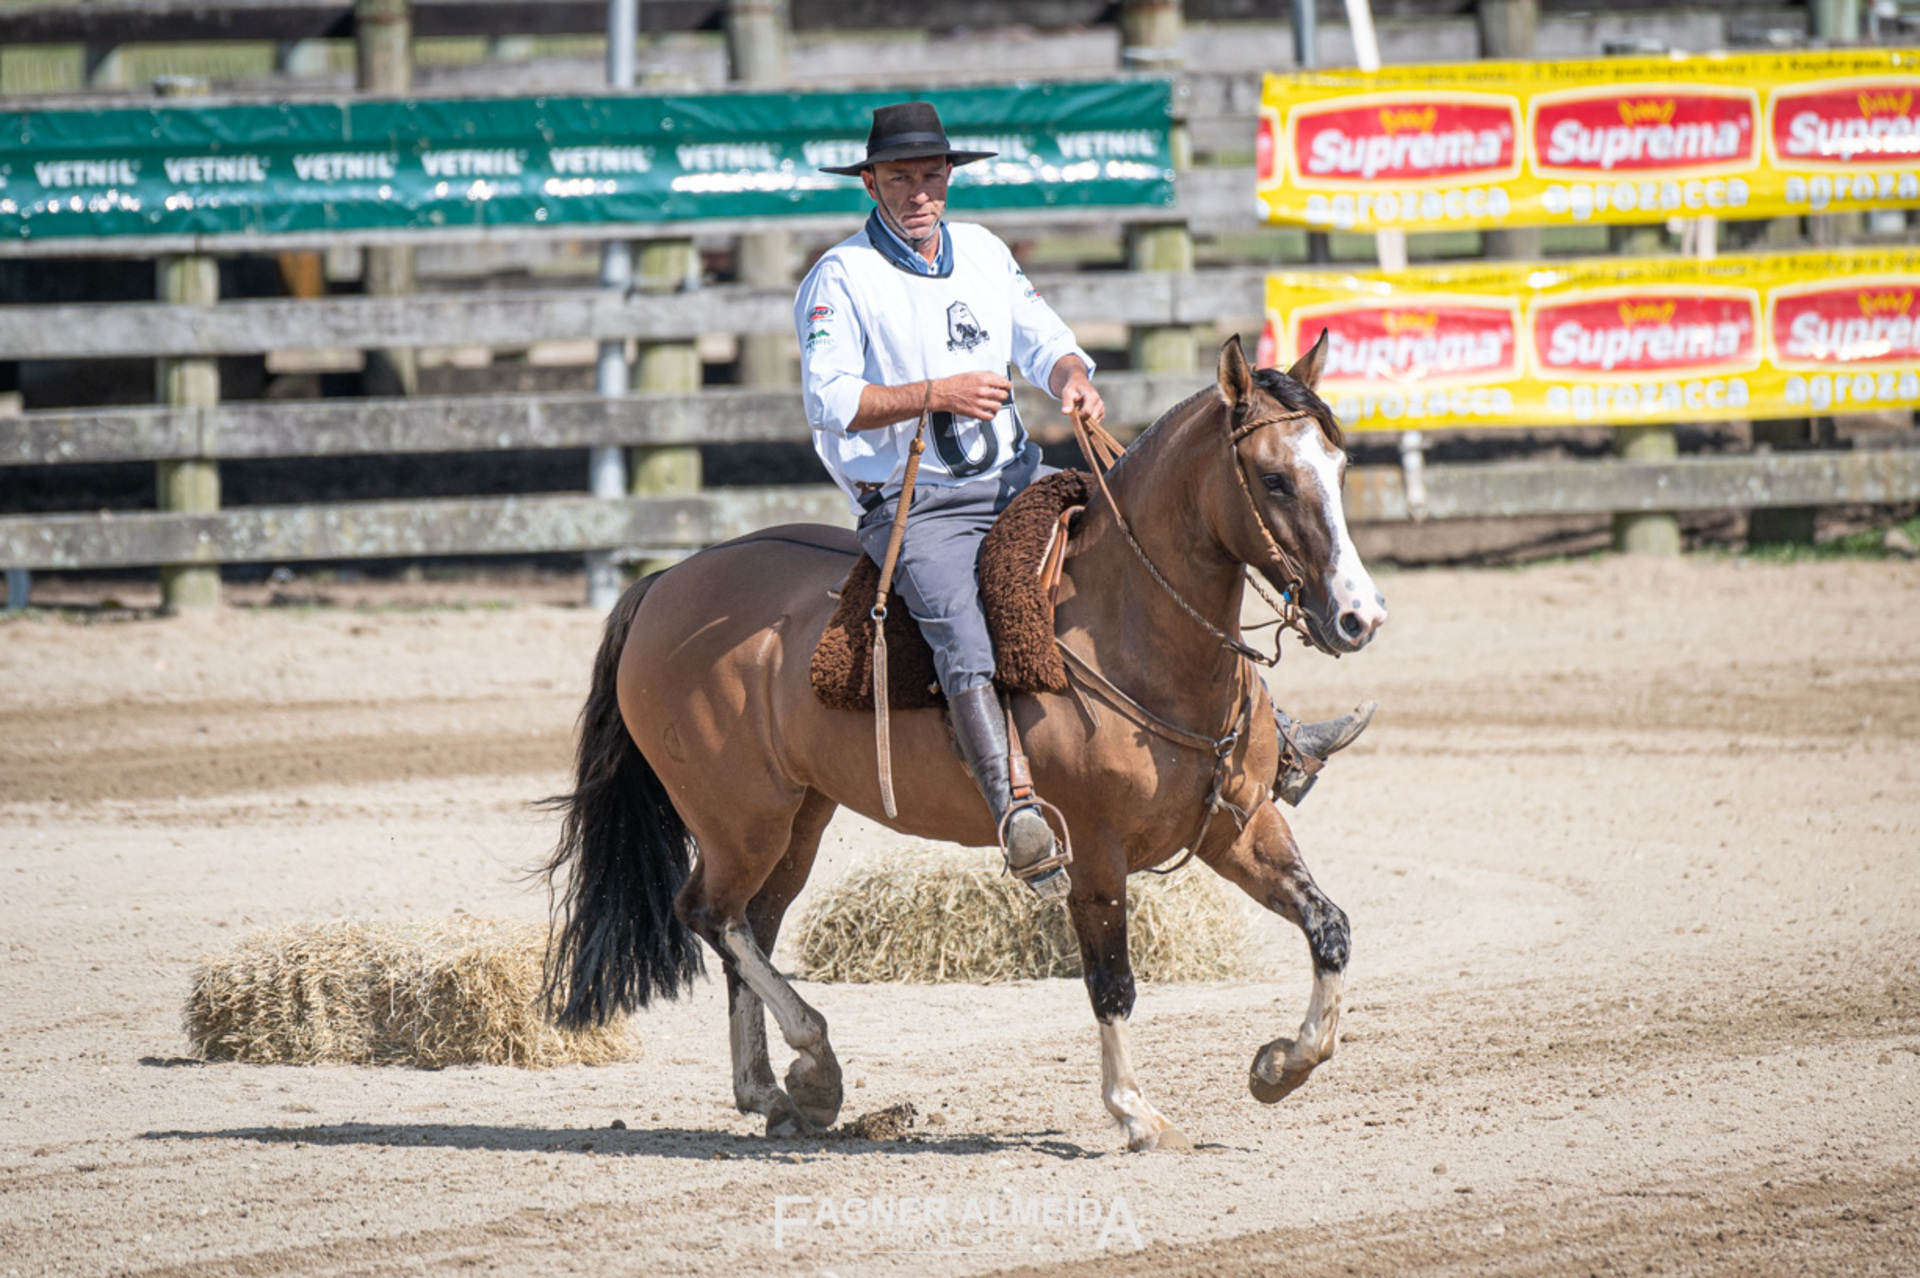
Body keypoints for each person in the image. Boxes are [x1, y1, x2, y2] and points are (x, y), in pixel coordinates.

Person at [794, 102, 1370, 900]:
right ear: (870, 182)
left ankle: (1274, 739)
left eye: (931, 175)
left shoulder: (986, 255)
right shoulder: (839, 279)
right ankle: (1016, 811)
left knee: (1152, 563)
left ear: (950, 178)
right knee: (962, 630)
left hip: (1015, 478)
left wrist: (1071, 377)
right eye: (900, 178)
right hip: (915, 501)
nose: (918, 192)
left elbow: (1044, 337)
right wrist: (937, 392)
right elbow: (828, 400)